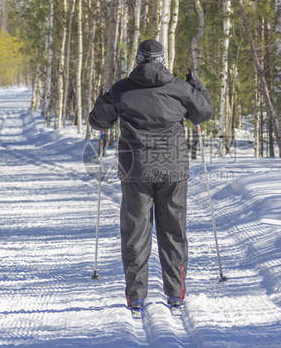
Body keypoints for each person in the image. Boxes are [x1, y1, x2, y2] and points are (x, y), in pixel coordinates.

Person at [89, 38, 213, 311]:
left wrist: (103, 98)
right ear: (162, 59)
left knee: (136, 232)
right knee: (173, 232)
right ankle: (176, 293)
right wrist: (197, 86)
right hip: (173, 170)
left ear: (138, 59)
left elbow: (99, 121)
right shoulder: (179, 88)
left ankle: (136, 296)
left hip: (136, 170)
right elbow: (203, 113)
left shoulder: (122, 90)